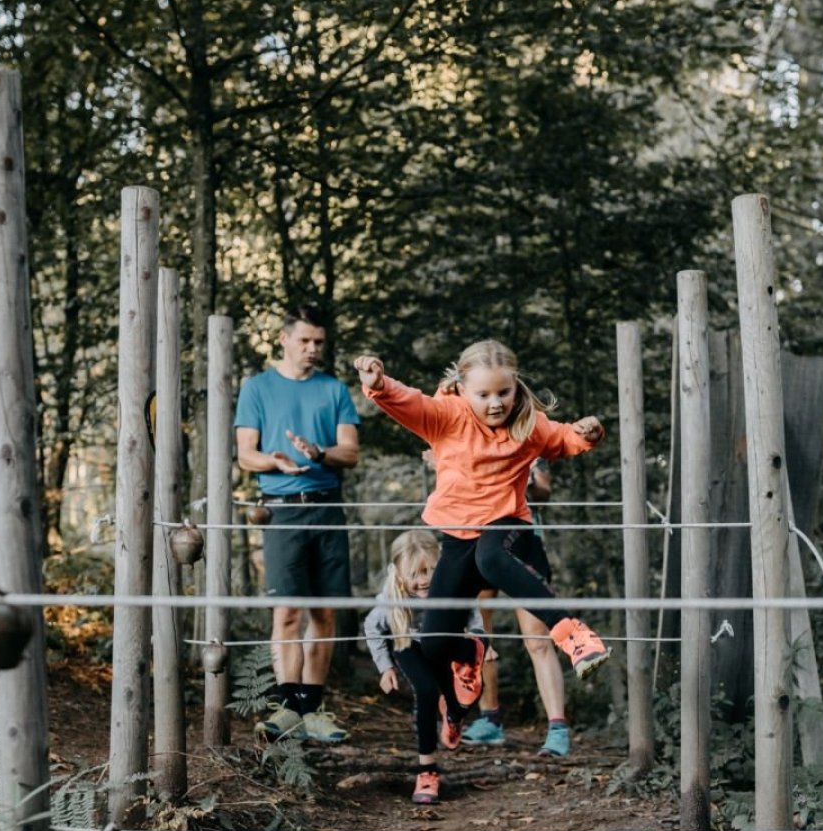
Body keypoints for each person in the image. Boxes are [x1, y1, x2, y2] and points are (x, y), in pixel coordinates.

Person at [352, 339, 611, 753]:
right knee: (434, 641)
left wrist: (588, 434)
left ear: (516, 387)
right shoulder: (447, 416)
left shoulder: (527, 422)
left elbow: (563, 439)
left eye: (503, 392)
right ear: (462, 388)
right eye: (484, 394)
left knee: (492, 557)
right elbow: (410, 402)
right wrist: (379, 385)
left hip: (507, 524)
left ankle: (572, 633)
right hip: (457, 535)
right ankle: (455, 705)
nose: (495, 403)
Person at [235, 304, 360, 740]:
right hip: (281, 507)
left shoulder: (334, 390)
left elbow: (351, 451)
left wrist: (318, 453)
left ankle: (314, 711)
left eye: (319, 343)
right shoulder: (257, 388)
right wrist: (274, 460)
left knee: (325, 612)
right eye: (304, 340)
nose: (312, 349)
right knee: (287, 611)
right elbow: (245, 453)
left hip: (327, 506)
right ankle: (287, 710)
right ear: (284, 339)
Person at [363, 530, 491, 804]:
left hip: (443, 643)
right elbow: (372, 627)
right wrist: (385, 668)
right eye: (416, 574)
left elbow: (471, 610)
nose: (424, 581)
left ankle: (454, 713)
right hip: (406, 643)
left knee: (463, 695)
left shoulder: (450, 584)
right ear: (399, 573)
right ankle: (427, 771)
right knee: (426, 692)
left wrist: (480, 638)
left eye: (431, 570)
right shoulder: (392, 597)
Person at [465, 459, 574, 757]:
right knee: (479, 636)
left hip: (525, 542)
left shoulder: (532, 440)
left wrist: (527, 486)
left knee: (537, 640)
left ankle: (557, 729)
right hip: (476, 538)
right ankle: (490, 719)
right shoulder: (467, 434)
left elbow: (544, 492)